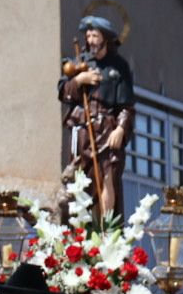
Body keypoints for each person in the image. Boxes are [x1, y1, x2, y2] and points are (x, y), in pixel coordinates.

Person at [58, 14, 135, 218]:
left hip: (108, 127)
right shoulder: (79, 63)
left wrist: (120, 128)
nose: (91, 40)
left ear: (105, 38)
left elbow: (127, 106)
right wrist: (79, 80)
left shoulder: (119, 67)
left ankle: (106, 228)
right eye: (88, 35)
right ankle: (79, 228)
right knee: (80, 180)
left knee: (108, 174)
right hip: (83, 129)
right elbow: (63, 91)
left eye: (95, 35)